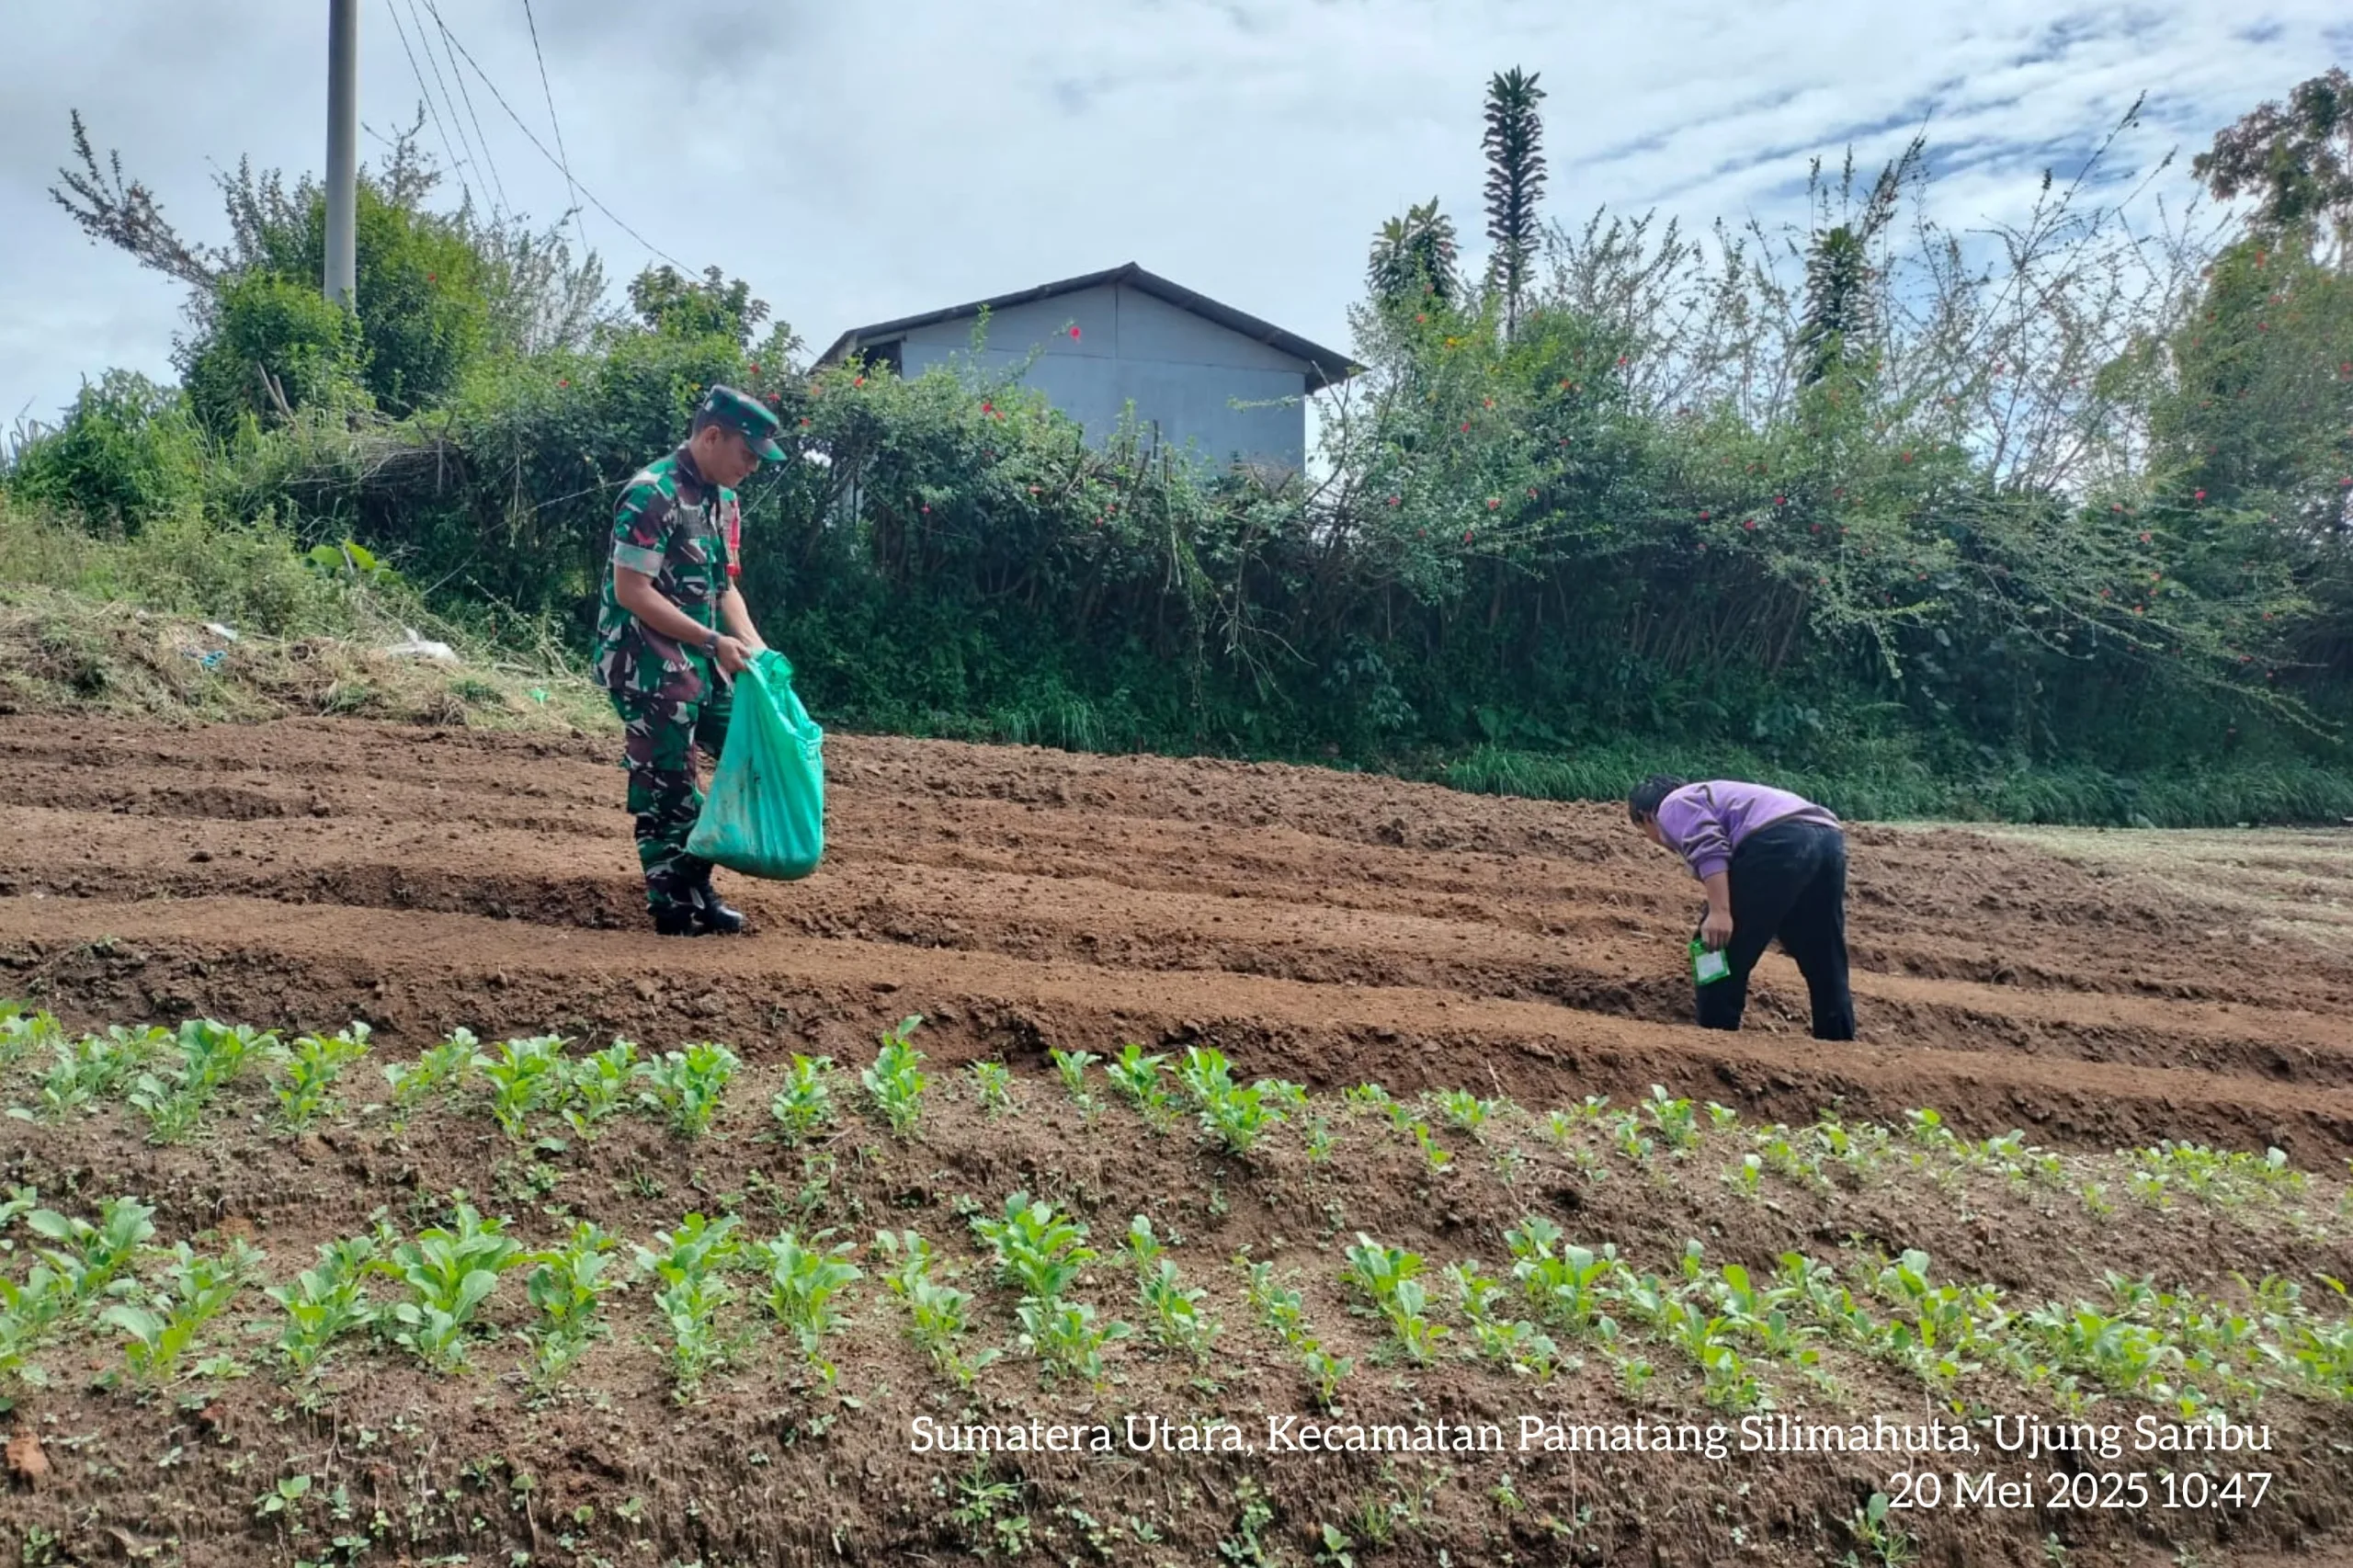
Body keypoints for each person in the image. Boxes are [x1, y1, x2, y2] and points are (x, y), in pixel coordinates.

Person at [594, 384, 783, 937]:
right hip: (646, 665)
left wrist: (757, 648)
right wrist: (711, 641)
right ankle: (674, 904)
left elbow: (724, 587)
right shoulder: (651, 494)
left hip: (704, 660)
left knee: (747, 757)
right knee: (668, 786)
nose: (752, 466)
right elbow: (632, 591)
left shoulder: (724, 499)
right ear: (712, 437)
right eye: (747, 453)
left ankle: (694, 880)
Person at [1628, 776, 1855, 1040]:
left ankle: (1716, 1038)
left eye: (1644, 832)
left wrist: (1720, 912)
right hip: (1829, 838)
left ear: (1646, 816)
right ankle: (1838, 1040)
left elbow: (1708, 847)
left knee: (1712, 948)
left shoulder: (1672, 805)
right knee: (1823, 951)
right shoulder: (1713, 795)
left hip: (1779, 840)